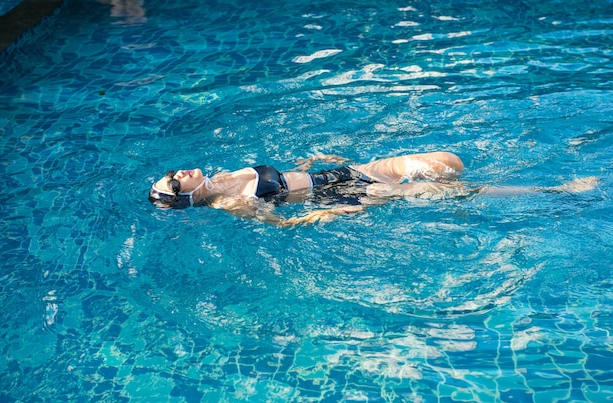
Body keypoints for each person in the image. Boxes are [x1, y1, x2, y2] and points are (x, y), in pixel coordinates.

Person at [148, 151, 598, 226]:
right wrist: (326, 214)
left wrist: (308, 163)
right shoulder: (228, 203)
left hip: (348, 171)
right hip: (344, 195)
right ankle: (560, 190)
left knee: (449, 165)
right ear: (183, 196)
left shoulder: (220, 176)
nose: (179, 172)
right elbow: (281, 226)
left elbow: (278, 176)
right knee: (458, 191)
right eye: (173, 181)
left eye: (171, 172)